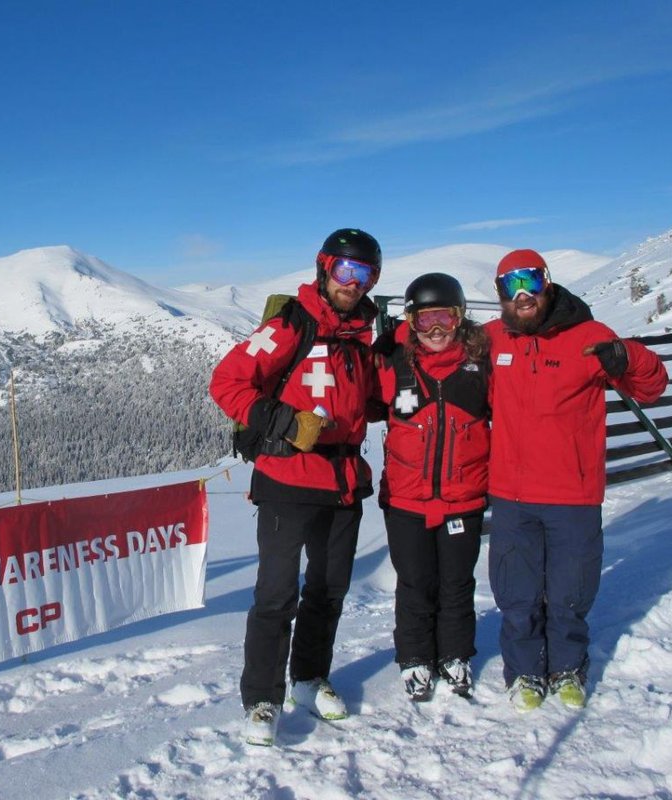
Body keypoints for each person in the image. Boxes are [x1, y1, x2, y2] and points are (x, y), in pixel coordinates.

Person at [209, 228, 382, 746]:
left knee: (328, 592)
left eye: (366, 273)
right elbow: (227, 382)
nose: (354, 282)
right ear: (324, 267)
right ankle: (263, 696)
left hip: (344, 481)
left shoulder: (363, 334)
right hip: (288, 479)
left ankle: (307, 678)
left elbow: (369, 402)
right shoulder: (292, 324)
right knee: (276, 596)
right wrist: (283, 421)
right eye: (346, 270)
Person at [485, 249, 668, 712]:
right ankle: (525, 672)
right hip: (512, 494)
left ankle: (567, 666)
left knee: (571, 591)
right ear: (500, 294)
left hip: (572, 493)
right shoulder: (492, 339)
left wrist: (628, 356)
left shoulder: (590, 337)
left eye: (530, 280)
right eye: (511, 285)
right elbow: (437, 339)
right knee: (516, 592)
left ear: (547, 282)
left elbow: (652, 387)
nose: (522, 294)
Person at [372, 273, 491, 702]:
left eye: (446, 317)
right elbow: (356, 398)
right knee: (415, 581)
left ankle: (455, 655)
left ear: (461, 319)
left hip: (464, 498)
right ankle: (416, 657)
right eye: (426, 321)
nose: (437, 330)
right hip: (407, 499)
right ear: (410, 323)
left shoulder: (480, 367)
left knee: (457, 582)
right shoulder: (393, 365)